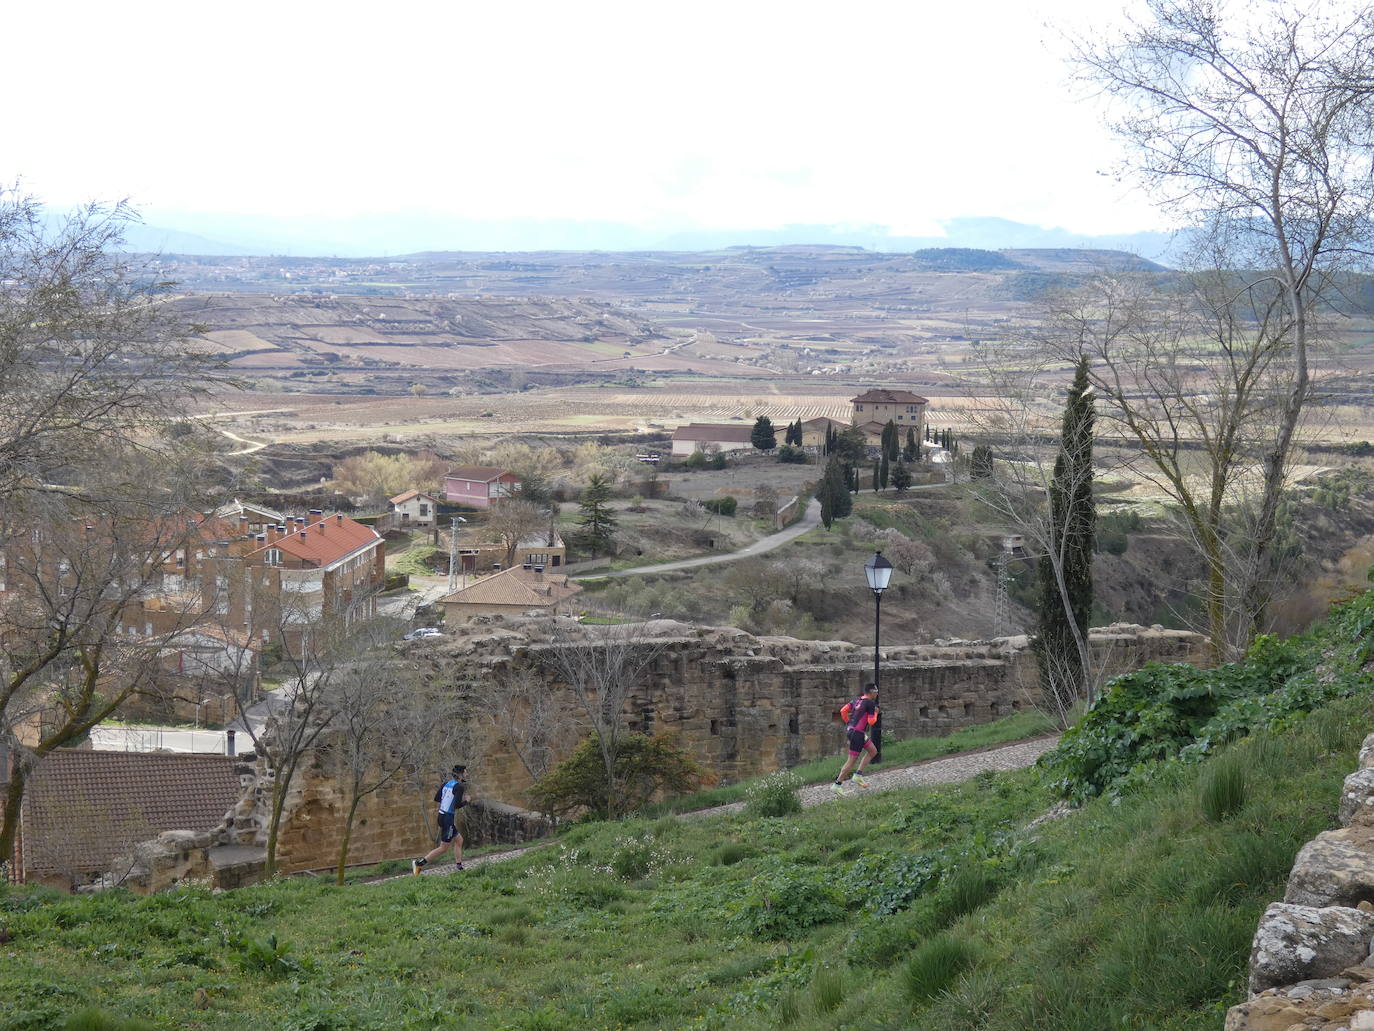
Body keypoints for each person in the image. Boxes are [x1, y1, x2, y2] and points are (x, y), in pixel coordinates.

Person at [412, 764, 469, 875]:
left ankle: (459, 866)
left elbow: (437, 798)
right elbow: (457, 805)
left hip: (441, 815)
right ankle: (419, 864)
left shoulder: (446, 783)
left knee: (459, 840)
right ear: (461, 774)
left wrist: (448, 798)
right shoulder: (459, 787)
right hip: (447, 818)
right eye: (466, 772)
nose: (467, 774)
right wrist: (466, 801)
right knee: (443, 848)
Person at [832, 684, 879, 794]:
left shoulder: (856, 700)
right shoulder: (870, 703)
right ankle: (837, 785)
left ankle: (858, 775)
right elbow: (871, 722)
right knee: (851, 761)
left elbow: (843, 710)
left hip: (853, 731)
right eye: (876, 691)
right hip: (857, 734)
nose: (877, 694)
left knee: (873, 751)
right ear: (871, 692)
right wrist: (876, 713)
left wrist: (848, 722)